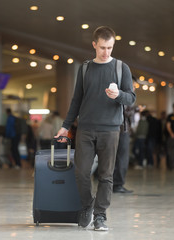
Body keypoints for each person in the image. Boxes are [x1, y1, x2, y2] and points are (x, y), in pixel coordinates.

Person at [55, 26, 136, 231]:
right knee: (81, 172)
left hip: (110, 129)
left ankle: (100, 215)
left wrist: (118, 96)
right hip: (86, 128)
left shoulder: (121, 68)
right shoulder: (85, 69)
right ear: (94, 45)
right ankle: (87, 206)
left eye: (109, 47)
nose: (106, 52)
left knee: (106, 175)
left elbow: (132, 99)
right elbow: (76, 100)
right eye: (102, 47)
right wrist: (65, 126)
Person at [113, 105, 135, 193]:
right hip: (121, 129)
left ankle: (110, 184)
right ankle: (117, 184)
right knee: (122, 158)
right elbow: (127, 112)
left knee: (110, 157)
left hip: (109, 129)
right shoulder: (124, 96)